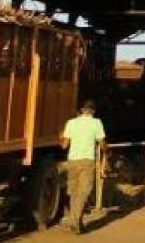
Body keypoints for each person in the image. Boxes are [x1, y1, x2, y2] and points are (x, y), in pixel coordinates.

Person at [61, 99, 106, 233]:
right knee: (84, 191)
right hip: (87, 161)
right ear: (93, 111)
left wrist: (61, 138)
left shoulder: (71, 123)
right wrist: (106, 152)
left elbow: (64, 145)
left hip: (73, 160)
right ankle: (75, 220)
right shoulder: (96, 123)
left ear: (81, 110)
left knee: (74, 191)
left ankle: (75, 220)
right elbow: (101, 142)